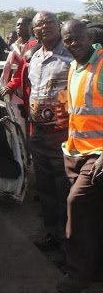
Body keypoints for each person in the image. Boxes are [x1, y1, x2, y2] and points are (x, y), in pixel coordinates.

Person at [56, 20, 103, 293]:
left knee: (77, 205)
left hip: (97, 157)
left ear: (89, 37)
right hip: (76, 154)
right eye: (68, 41)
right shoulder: (74, 66)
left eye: (77, 39)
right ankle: (94, 269)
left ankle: (77, 275)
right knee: (94, 215)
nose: (73, 45)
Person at [27, 11, 73, 251]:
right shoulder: (35, 56)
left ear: (58, 25)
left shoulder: (72, 54)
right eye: (39, 24)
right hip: (39, 133)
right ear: (34, 31)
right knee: (44, 187)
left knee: (64, 187)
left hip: (62, 134)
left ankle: (69, 243)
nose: (44, 27)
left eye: (49, 22)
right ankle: (52, 234)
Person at [0, 17, 39, 127]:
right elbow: (21, 70)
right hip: (25, 92)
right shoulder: (29, 46)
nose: (19, 27)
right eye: (17, 25)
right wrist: (11, 86)